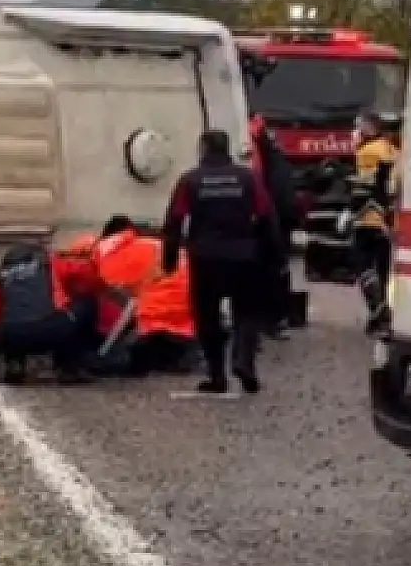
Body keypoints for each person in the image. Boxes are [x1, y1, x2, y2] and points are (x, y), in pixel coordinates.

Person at [161, 129, 281, 395]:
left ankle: (216, 376)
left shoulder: (190, 181)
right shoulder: (248, 178)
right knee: (248, 313)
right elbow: (267, 216)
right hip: (244, 255)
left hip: (205, 257)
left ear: (203, 148)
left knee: (207, 317)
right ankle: (243, 360)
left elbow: (174, 221)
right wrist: (273, 254)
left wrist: (168, 259)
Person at [0, 237, 102, 384]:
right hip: (50, 331)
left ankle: (15, 364)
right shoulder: (52, 265)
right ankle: (69, 367)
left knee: (11, 323)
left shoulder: (0, 278)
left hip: (12, 337)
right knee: (85, 303)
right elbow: (88, 276)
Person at [88, 217, 198, 376]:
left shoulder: (111, 251)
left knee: (129, 353)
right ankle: (173, 358)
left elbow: (106, 287)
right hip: (187, 317)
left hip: (155, 319)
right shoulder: (151, 244)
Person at [343, 111, 400, 336]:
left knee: (363, 266)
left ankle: (378, 312)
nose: (355, 132)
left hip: (368, 219)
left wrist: (350, 212)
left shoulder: (367, 152)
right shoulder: (393, 150)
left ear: (369, 128)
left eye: (358, 127)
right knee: (384, 269)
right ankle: (385, 312)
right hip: (388, 220)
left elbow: (364, 188)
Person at [249, 116, 301, 339]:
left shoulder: (262, 160)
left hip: (264, 226)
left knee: (263, 273)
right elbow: (286, 198)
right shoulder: (276, 161)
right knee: (275, 271)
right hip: (273, 225)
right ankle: (273, 320)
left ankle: (265, 320)